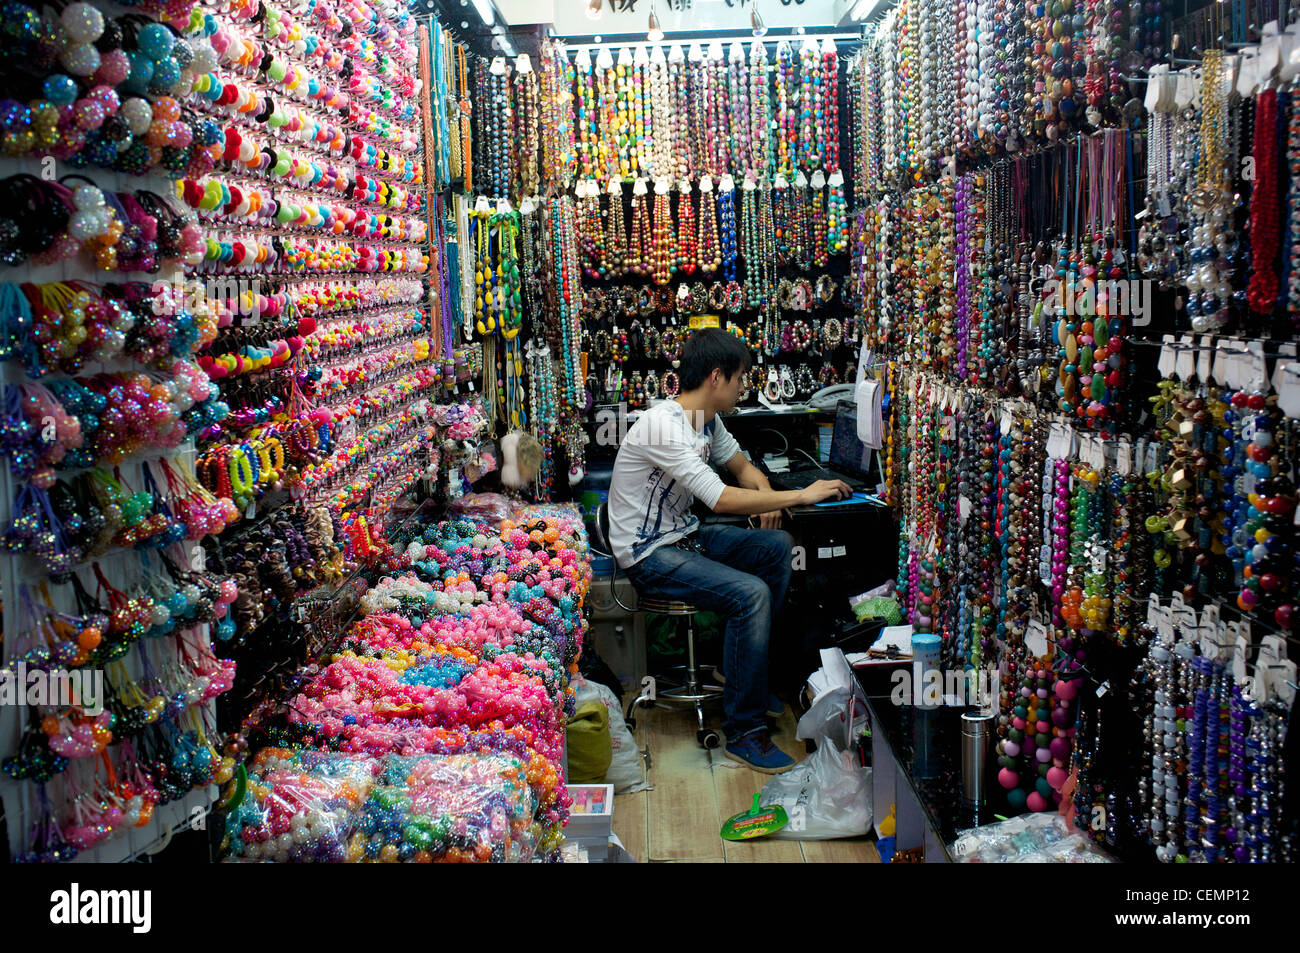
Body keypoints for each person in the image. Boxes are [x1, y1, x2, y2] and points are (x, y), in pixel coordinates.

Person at [607, 328, 851, 773]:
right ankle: (744, 730)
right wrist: (796, 496)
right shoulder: (664, 426)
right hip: (648, 554)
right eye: (740, 378)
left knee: (776, 547)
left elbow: (743, 470)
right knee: (750, 593)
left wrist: (767, 494)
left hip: (685, 536)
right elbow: (720, 498)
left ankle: (735, 671)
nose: (744, 387)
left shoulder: (708, 420)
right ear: (717, 377)